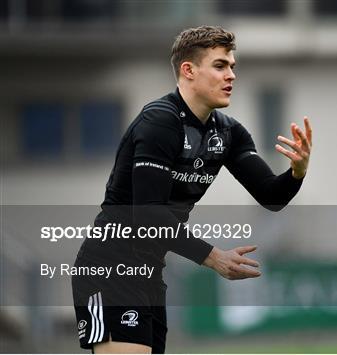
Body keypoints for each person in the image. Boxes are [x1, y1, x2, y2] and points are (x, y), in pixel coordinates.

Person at [72, 25, 312, 353]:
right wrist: (212, 257)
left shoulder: (229, 132)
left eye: (232, 67)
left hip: (149, 273)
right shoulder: (160, 121)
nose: (231, 75)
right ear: (188, 70)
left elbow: (271, 196)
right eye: (219, 66)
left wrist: (297, 172)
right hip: (109, 267)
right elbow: (147, 214)